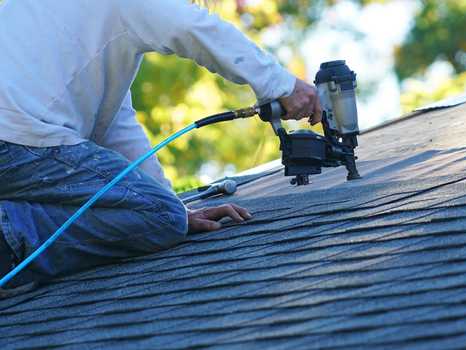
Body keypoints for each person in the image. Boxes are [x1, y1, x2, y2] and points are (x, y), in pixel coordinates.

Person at [0, 0, 322, 290]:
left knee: (164, 215)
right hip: (16, 136)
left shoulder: (87, 33)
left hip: (16, 136)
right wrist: (282, 84)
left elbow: (116, 127)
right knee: (161, 217)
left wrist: (175, 209)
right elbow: (190, 26)